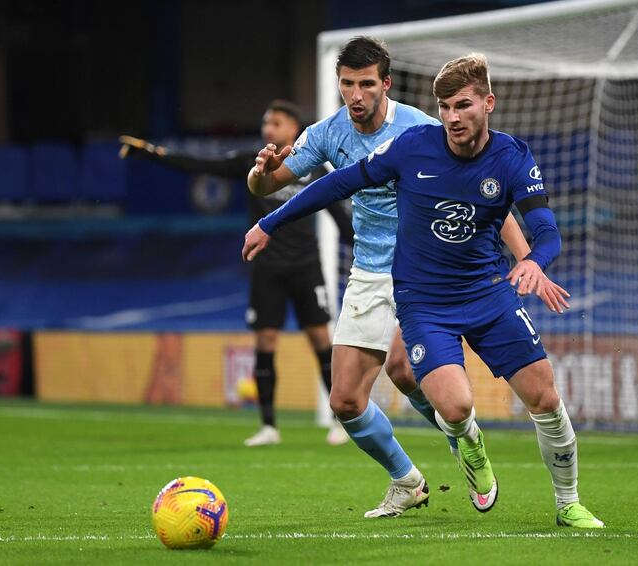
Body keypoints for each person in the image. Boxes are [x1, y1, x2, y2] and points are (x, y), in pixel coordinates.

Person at [243, 53, 604, 529]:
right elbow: (337, 184)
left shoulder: (513, 156)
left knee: (545, 398)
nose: (453, 117)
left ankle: (569, 503)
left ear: (488, 103)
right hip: (424, 302)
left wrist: (534, 261)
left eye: (463, 106)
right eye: (445, 108)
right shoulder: (412, 146)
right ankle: (465, 444)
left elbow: (544, 228)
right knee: (454, 408)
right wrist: (270, 220)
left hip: (488, 294)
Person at [119, 99, 353, 447]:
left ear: (293, 129)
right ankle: (269, 427)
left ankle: (341, 422)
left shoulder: (316, 171)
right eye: (266, 123)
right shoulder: (252, 165)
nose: (268, 129)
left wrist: (368, 249)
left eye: (276, 123)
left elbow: (341, 221)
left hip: (306, 266)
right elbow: (201, 164)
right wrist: (153, 153)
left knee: (321, 341)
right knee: (265, 343)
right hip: (266, 268)